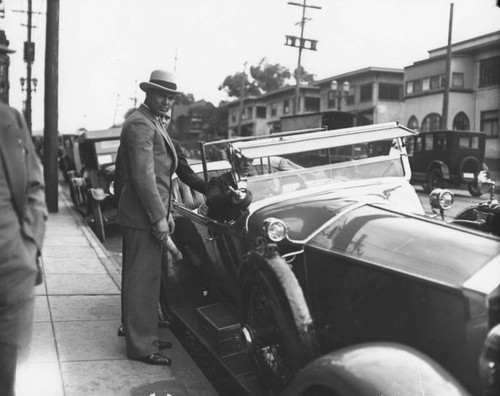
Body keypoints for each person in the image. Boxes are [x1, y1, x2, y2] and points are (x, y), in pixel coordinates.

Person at [117, 69, 194, 366]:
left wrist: (168, 212)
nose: (166, 101)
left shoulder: (151, 122)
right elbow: (144, 178)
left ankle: (145, 334)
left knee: (148, 281)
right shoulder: (140, 124)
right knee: (140, 282)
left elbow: (162, 176)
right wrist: (158, 218)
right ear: (148, 93)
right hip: (142, 217)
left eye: (171, 97)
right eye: (161, 94)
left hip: (149, 214)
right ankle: (140, 346)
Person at [114, 124, 205, 338]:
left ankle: (148, 322)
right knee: (135, 274)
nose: (162, 120)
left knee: (153, 273)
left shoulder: (172, 145)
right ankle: (129, 325)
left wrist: (215, 188)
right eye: (159, 117)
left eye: (166, 117)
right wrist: (124, 214)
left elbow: (188, 177)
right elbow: (122, 181)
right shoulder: (133, 139)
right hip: (137, 217)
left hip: (160, 215)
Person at [0, 101, 47, 395]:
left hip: (12, 266)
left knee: (7, 376)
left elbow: (34, 185)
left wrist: (29, 243)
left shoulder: (10, 118)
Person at [206, 147, 254, 222]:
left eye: (250, 160)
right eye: (242, 159)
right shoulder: (217, 181)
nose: (247, 164)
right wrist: (231, 197)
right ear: (233, 161)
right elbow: (212, 200)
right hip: (228, 228)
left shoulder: (255, 179)